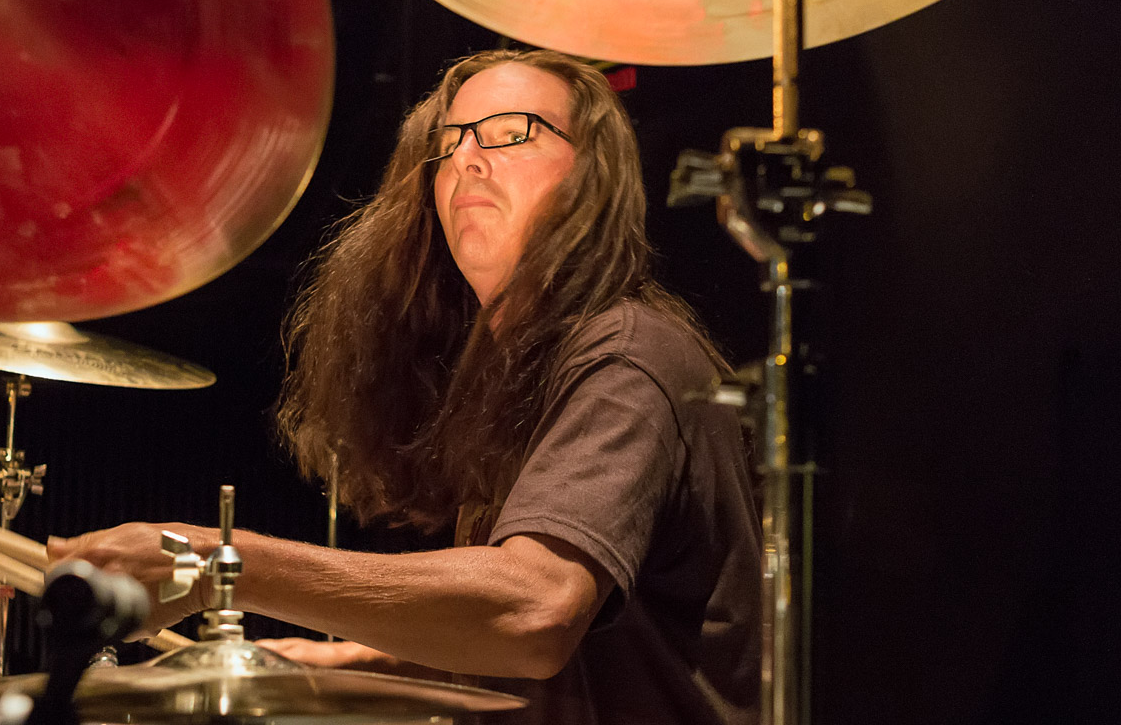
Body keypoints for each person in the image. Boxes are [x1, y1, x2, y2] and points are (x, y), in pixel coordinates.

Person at [51, 49, 760, 724]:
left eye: (510, 134)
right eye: (449, 143)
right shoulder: (518, 366)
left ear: (592, 177)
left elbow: (535, 614)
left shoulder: (627, 356)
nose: (467, 160)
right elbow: (541, 649)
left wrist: (213, 563)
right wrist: (342, 664)